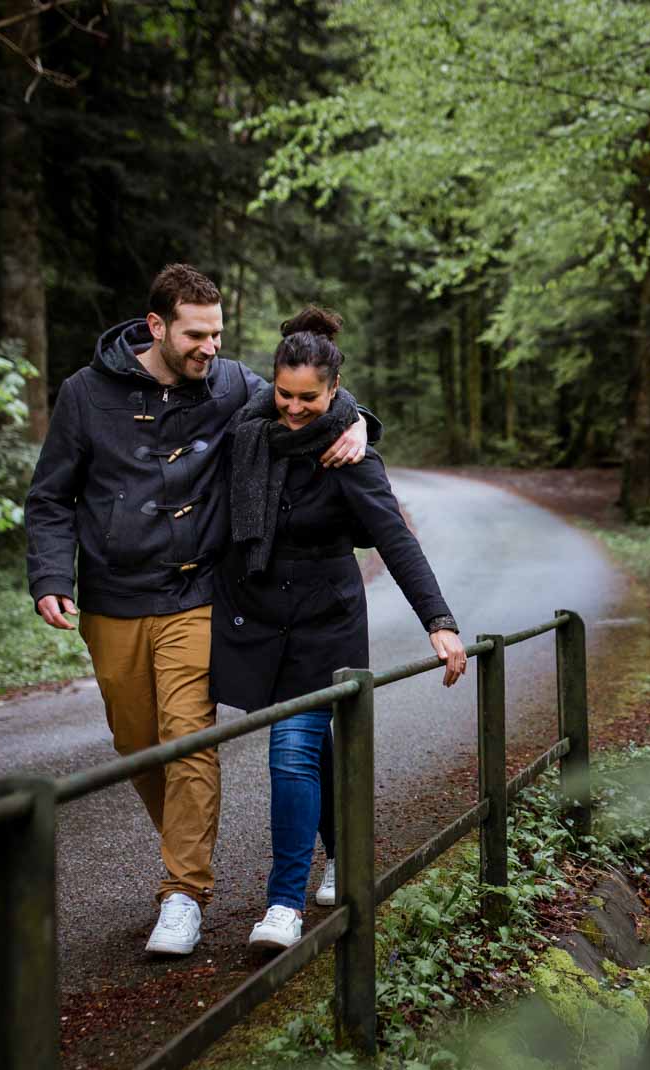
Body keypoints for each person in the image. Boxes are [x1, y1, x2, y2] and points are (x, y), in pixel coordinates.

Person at [25, 264, 372, 957]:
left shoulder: (232, 384)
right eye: (197, 334)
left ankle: (184, 893)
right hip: (113, 599)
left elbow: (309, 392)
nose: (211, 347)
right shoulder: (85, 396)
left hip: (197, 595)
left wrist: (360, 420)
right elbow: (50, 497)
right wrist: (47, 574)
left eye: (217, 333)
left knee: (189, 738)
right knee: (137, 746)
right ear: (155, 327)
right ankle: (186, 856)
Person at [213, 306, 466, 952]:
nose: (293, 409)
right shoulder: (248, 429)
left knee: (291, 749)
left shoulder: (350, 453)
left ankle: (282, 904)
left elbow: (395, 541)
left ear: (333, 393)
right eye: (285, 394)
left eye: (309, 399)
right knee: (315, 748)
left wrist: (439, 622)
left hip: (326, 625)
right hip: (264, 620)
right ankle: (348, 855)